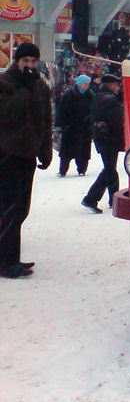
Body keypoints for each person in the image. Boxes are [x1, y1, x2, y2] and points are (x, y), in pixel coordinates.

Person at [0, 42, 53, 279]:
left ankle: (9, 257)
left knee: (21, 209)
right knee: (9, 209)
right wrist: (23, 90)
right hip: (7, 154)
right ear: (17, 61)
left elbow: (45, 120)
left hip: (28, 154)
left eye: (33, 61)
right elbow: (7, 114)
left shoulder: (40, 86)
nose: (30, 65)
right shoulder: (5, 82)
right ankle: (7, 262)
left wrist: (45, 150)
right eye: (25, 61)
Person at [82, 74, 123, 214]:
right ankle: (91, 198)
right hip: (110, 139)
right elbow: (116, 122)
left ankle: (114, 200)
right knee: (109, 170)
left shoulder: (99, 97)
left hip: (102, 138)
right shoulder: (110, 100)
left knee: (110, 169)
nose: (117, 87)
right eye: (116, 85)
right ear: (110, 85)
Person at [55, 75, 93, 177]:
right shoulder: (69, 95)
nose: (87, 86)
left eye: (88, 84)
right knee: (66, 152)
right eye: (85, 83)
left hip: (85, 129)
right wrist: (62, 125)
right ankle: (62, 170)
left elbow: (94, 110)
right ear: (79, 84)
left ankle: (82, 170)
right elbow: (62, 111)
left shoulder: (90, 95)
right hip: (70, 128)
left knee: (83, 151)